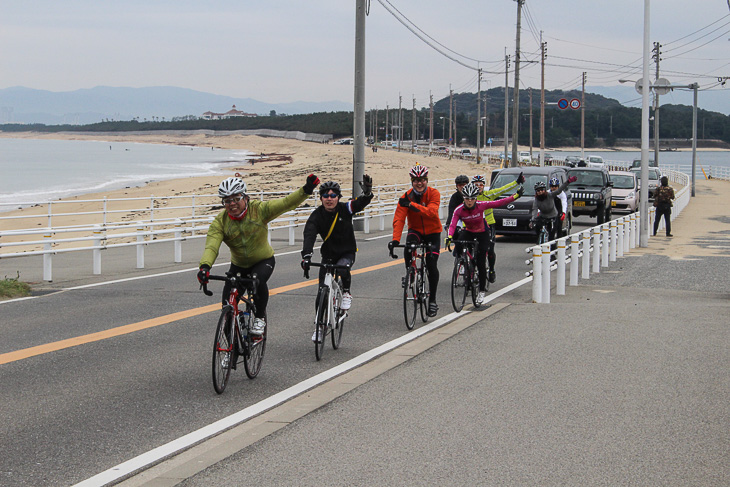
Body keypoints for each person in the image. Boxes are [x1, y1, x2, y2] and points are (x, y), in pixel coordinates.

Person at [197, 174, 320, 336]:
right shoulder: (220, 222)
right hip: (238, 266)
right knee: (227, 312)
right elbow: (211, 246)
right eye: (227, 201)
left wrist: (306, 190)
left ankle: (260, 317)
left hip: (263, 261)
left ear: (245, 197)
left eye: (236, 198)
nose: (232, 204)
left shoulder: (259, 210)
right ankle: (230, 353)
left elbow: (285, 203)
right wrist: (205, 267)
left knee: (258, 280)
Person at [301, 176, 374, 342]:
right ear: (321, 198)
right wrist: (306, 255)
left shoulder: (345, 208)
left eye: (333, 195)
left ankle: (346, 293)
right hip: (328, 255)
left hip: (346, 252)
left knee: (343, 268)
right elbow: (309, 234)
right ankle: (319, 327)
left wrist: (367, 193)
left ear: (339, 198)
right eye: (325, 195)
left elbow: (359, 204)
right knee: (321, 293)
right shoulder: (316, 215)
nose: (329, 199)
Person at [446, 183, 525, 305]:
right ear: (464, 198)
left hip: (482, 232)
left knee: (481, 261)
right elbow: (452, 224)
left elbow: (499, 203)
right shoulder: (459, 210)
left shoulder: (481, 205)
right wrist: (449, 237)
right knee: (459, 241)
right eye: (467, 198)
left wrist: (516, 196)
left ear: (476, 198)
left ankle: (481, 291)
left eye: (472, 198)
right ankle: (463, 262)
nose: (470, 201)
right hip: (469, 231)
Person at [389, 163, 443, 317]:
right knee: (409, 246)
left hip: (433, 232)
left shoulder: (434, 193)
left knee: (432, 265)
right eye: (416, 180)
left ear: (427, 180)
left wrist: (412, 205)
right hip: (416, 230)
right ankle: (410, 272)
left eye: (423, 180)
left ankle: (432, 300)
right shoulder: (405, 197)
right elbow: (399, 219)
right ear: (411, 181)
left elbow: (432, 212)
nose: (420, 183)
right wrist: (395, 239)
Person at [473, 171, 526, 283]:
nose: (479, 187)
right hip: (474, 226)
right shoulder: (470, 197)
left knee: (490, 250)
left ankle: (491, 269)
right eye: (476, 185)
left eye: (481, 184)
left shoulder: (489, 194)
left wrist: (517, 182)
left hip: (489, 224)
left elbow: (503, 189)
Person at [530, 176, 576, 242]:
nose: (540, 192)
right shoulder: (536, 200)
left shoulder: (550, 195)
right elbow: (535, 209)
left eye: (542, 190)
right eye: (538, 190)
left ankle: (553, 247)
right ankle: (539, 240)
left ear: (545, 190)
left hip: (553, 215)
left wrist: (568, 181)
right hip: (543, 215)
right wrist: (533, 219)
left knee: (552, 233)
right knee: (537, 226)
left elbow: (560, 191)